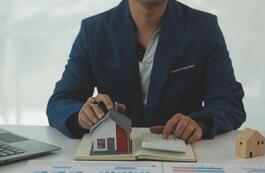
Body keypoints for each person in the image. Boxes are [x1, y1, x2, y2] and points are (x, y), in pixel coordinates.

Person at [47, 0, 246, 142]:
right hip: (113, 155)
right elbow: (61, 102)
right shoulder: (93, 30)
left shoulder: (203, 28)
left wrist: (199, 123)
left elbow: (229, 102)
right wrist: (81, 116)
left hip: (181, 152)